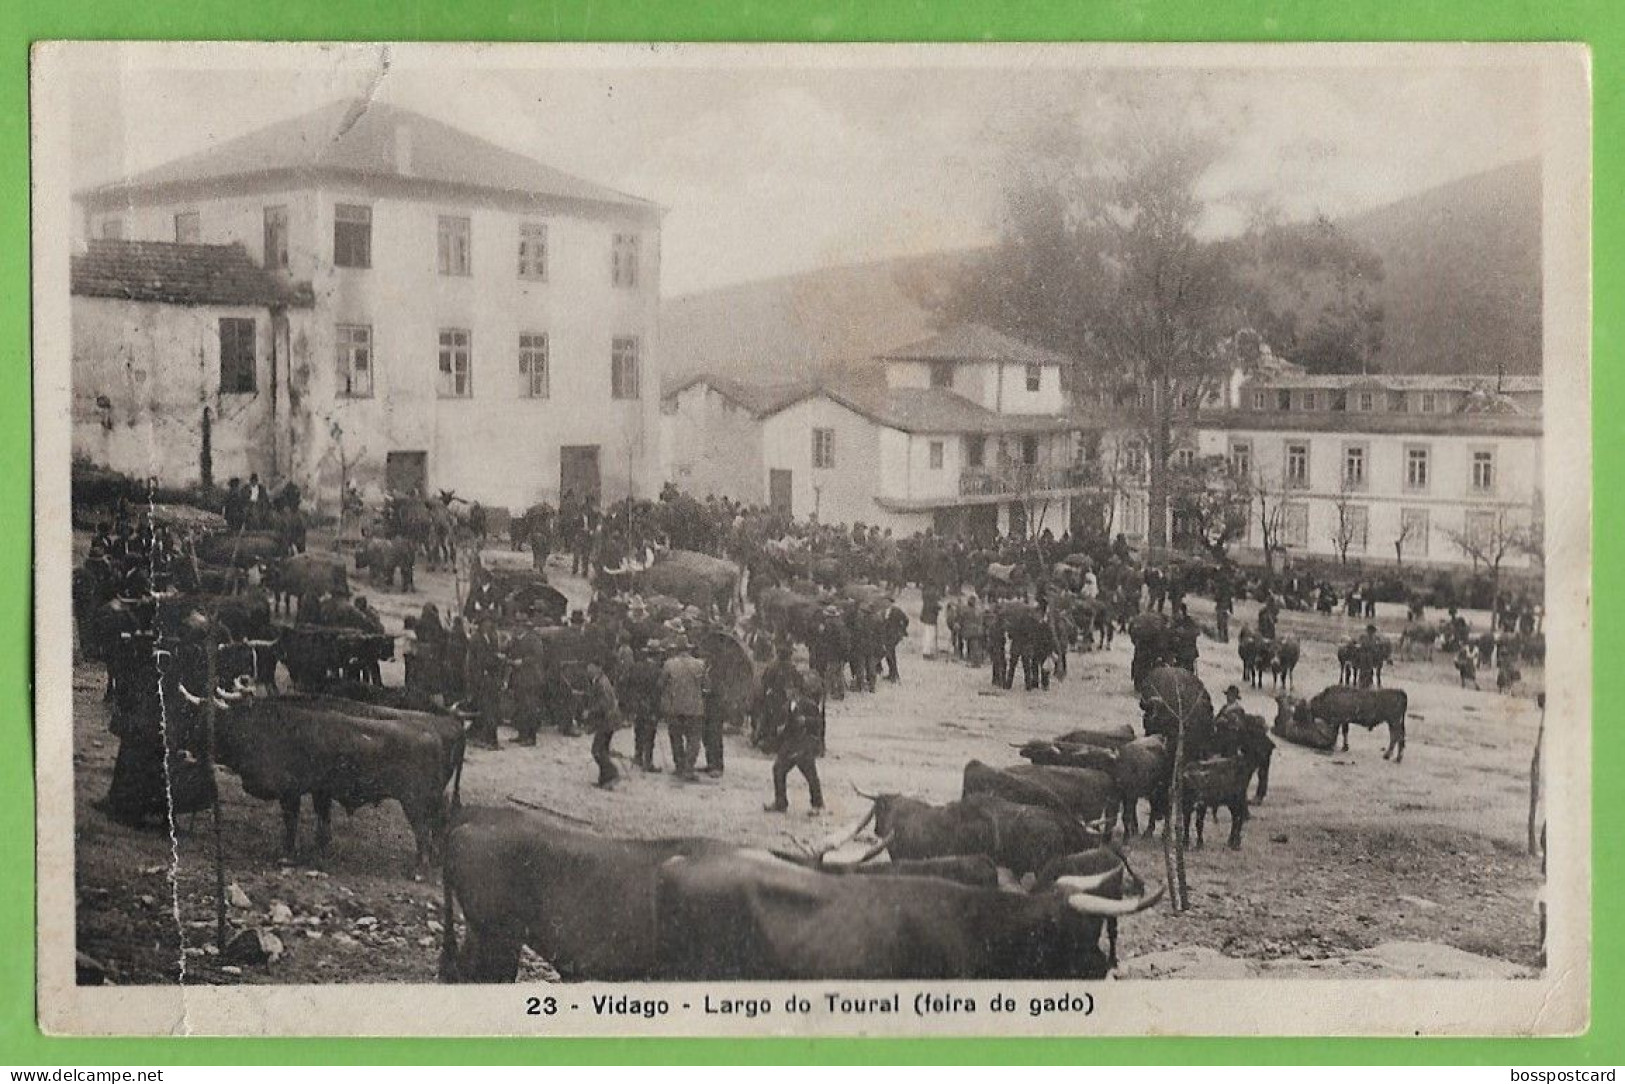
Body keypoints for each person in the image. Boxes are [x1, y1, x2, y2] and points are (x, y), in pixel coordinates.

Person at [765, 679, 825, 816]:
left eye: (790, 689)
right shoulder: (787, 706)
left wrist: (806, 721)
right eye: (787, 689)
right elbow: (783, 725)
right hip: (791, 744)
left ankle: (817, 804)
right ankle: (780, 802)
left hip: (805, 744)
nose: (788, 692)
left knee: (810, 775)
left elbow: (819, 724)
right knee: (778, 769)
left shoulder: (809, 705)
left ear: (797, 690)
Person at [659, 637, 708, 781]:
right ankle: (688, 767)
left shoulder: (669, 664)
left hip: (674, 707)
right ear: (689, 649)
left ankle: (679, 766)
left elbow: (661, 684)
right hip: (694, 708)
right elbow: (706, 686)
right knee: (694, 739)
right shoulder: (699, 665)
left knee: (676, 738)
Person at [582, 661, 623, 788]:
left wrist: (590, 711)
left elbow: (604, 704)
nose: (588, 670)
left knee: (597, 750)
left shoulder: (601, 683)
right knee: (602, 749)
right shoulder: (601, 680)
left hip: (607, 721)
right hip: (609, 720)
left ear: (598, 668)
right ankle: (604, 780)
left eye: (591, 667)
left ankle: (612, 774)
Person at [919, 582, 941, 661]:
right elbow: (934, 606)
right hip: (931, 618)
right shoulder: (933, 596)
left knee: (926, 634)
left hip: (926, 616)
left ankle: (927, 651)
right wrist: (939, 607)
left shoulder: (925, 593)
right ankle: (928, 653)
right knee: (930, 635)